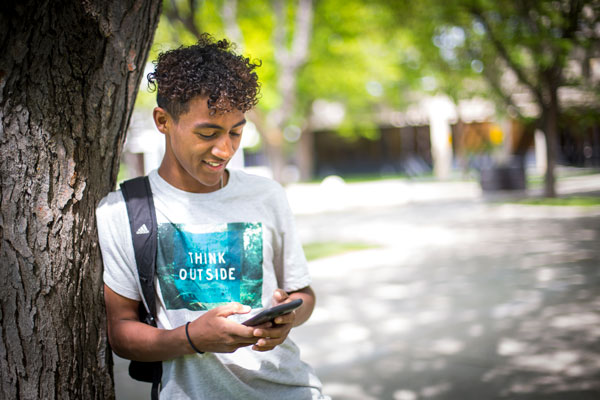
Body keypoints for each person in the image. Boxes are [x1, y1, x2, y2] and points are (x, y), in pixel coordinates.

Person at [96, 34, 327, 399]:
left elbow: (303, 293)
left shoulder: (266, 196)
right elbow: (121, 331)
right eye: (208, 133)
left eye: (236, 132)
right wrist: (192, 338)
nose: (225, 149)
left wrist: (287, 318)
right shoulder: (122, 210)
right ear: (163, 121)